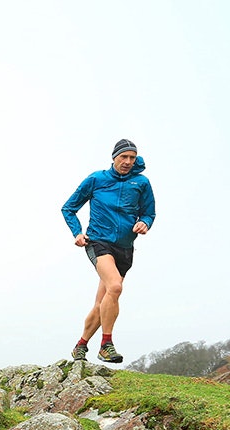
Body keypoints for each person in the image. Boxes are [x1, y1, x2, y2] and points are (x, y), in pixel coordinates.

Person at [61, 138, 156, 363]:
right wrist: (77, 233)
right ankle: (106, 345)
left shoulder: (141, 183)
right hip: (98, 242)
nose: (128, 161)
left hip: (125, 248)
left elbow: (149, 213)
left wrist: (145, 223)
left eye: (132, 158)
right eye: (124, 157)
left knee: (103, 301)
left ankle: (80, 345)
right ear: (114, 157)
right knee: (115, 286)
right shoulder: (97, 179)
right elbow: (68, 208)